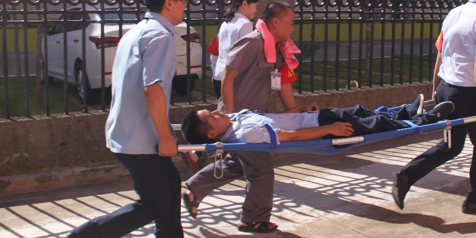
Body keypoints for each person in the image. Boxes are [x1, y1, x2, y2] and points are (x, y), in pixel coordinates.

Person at [67, 0, 201, 238]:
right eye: (183, 0)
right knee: (155, 203)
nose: (185, 6)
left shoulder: (137, 31)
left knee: (169, 189)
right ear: (169, 3)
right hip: (141, 138)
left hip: (130, 131)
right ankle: (87, 237)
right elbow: (152, 90)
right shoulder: (160, 36)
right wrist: (166, 137)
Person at [183, 1, 315, 234]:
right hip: (238, 121)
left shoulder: (276, 47)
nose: (293, 28)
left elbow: (282, 82)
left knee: (238, 163)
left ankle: (195, 189)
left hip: (252, 120)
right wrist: (231, 115)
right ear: (276, 22)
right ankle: (253, 219)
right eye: (290, 23)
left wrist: (296, 111)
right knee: (260, 170)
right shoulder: (253, 42)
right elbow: (227, 74)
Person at [391, 0, 476, 215]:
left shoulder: (454, 13)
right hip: (469, 94)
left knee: (451, 146)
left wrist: (436, 91)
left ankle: (406, 176)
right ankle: (474, 200)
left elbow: (441, 55)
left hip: (447, 89)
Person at [180, 98, 455, 146]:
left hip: (316, 117)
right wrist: (330, 130)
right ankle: (424, 119)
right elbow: (291, 136)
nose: (217, 112)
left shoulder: (234, 120)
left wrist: (299, 108)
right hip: (320, 130)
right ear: (213, 134)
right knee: (374, 126)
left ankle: (403, 114)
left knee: (360, 111)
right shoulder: (246, 135)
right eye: (211, 116)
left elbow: (276, 118)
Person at [209, 0, 260, 99]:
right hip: (234, 79)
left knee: (224, 109)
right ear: (245, 4)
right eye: (255, 6)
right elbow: (246, 55)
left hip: (218, 76)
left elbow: (216, 51)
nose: (256, 10)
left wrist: (214, 71)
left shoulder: (225, 23)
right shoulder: (245, 24)